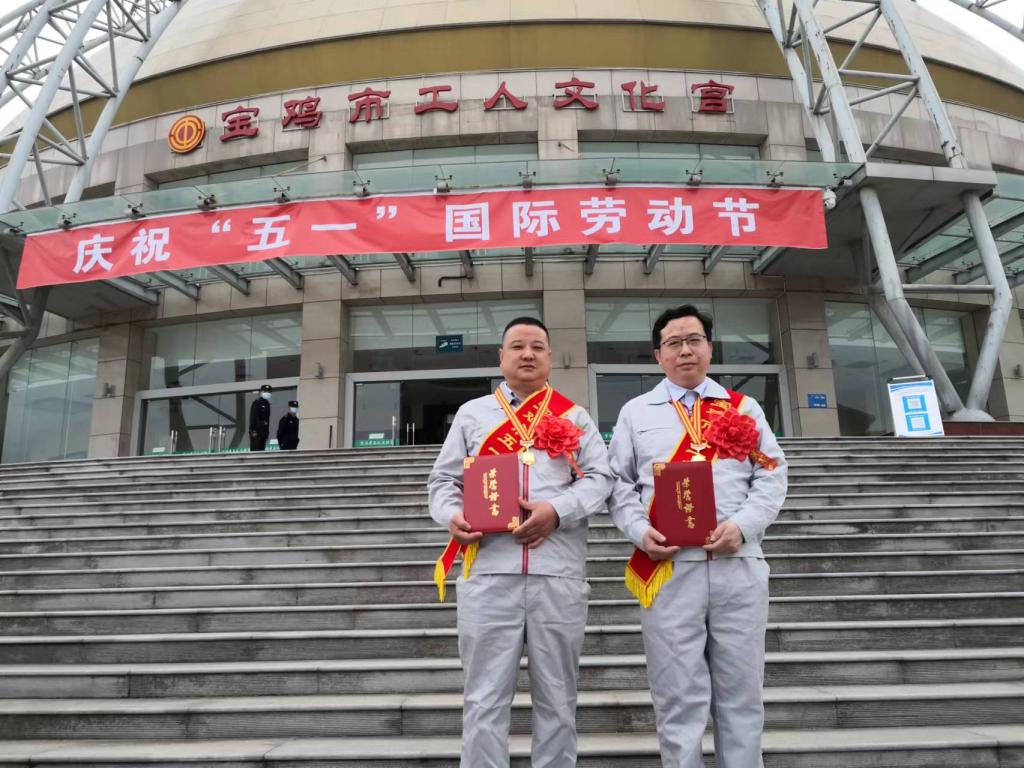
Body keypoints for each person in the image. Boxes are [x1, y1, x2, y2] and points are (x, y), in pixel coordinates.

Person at [607, 304, 787, 768]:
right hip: (668, 569)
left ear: (709, 348)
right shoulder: (636, 413)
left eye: (694, 340)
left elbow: (771, 473)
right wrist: (640, 531)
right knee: (677, 696)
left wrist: (743, 526)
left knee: (742, 694)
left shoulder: (743, 408)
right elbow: (619, 485)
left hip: (737, 564)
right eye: (674, 343)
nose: (685, 350)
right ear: (658, 355)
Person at [428, 317, 612, 768]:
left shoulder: (574, 415)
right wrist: (453, 516)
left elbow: (601, 478)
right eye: (517, 346)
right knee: (484, 699)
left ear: (550, 356)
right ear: (501, 357)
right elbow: (443, 481)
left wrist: (557, 510)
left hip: (558, 574)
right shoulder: (473, 414)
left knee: (558, 700)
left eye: (537, 346)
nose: (527, 354)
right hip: (490, 573)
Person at [248, 384, 272, 451]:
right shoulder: (257, 403)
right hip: (256, 432)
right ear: (261, 392)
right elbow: (253, 417)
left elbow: (267, 420)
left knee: (261, 452)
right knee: (255, 452)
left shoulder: (267, 404)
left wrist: (267, 433)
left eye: (269, 392)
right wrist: (253, 430)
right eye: (266, 391)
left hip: (263, 433)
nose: (267, 393)